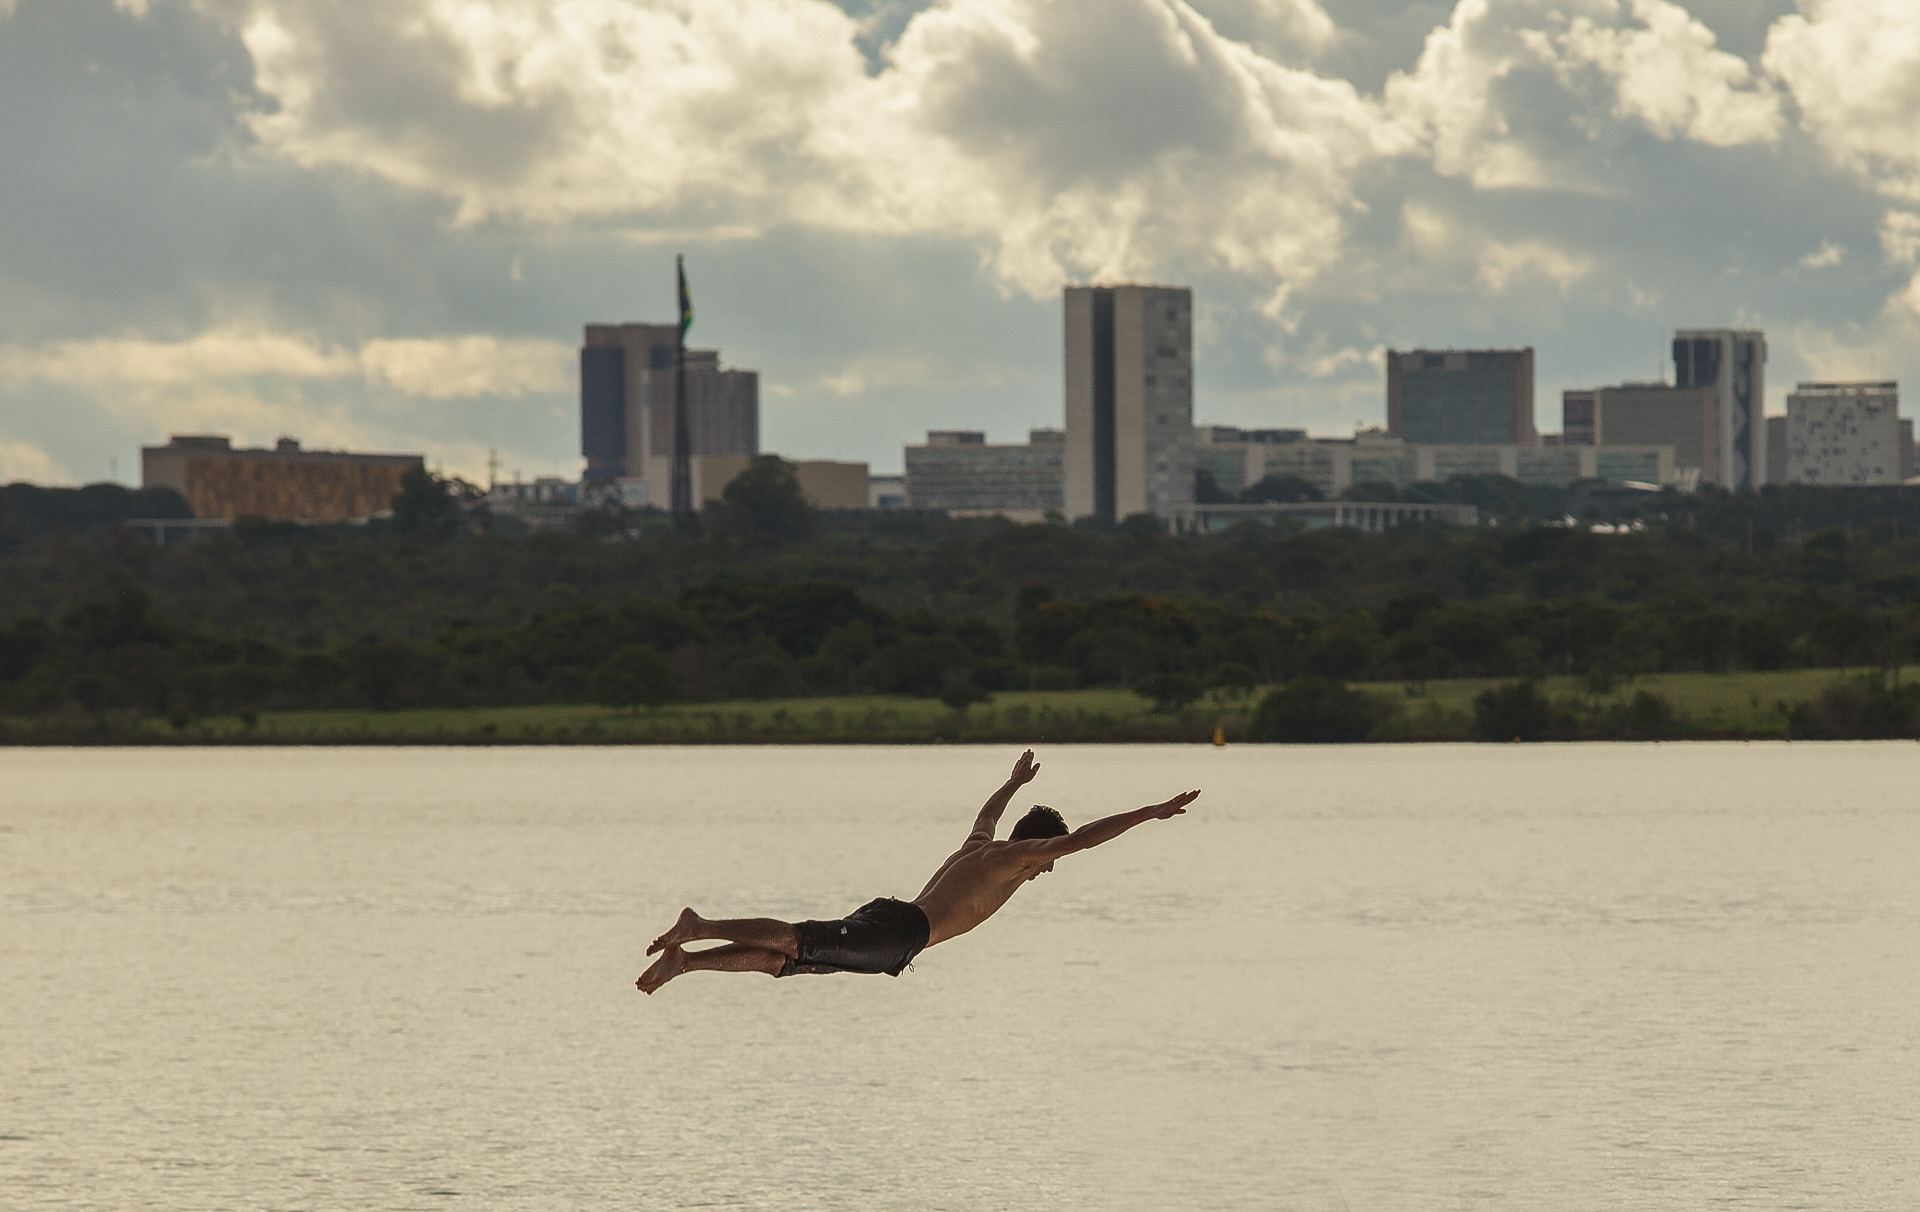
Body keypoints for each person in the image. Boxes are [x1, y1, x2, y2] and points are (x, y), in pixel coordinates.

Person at [637, 749, 1199, 994]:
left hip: (898, 929)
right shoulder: (1013, 858)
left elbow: (986, 815)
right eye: (1047, 860)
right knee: (796, 940)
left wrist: (1012, 782)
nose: (1047, 868)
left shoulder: (980, 848)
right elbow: (1084, 838)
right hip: (902, 932)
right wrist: (1151, 811)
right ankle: (699, 925)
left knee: (786, 963)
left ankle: (686, 962)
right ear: (1038, 847)